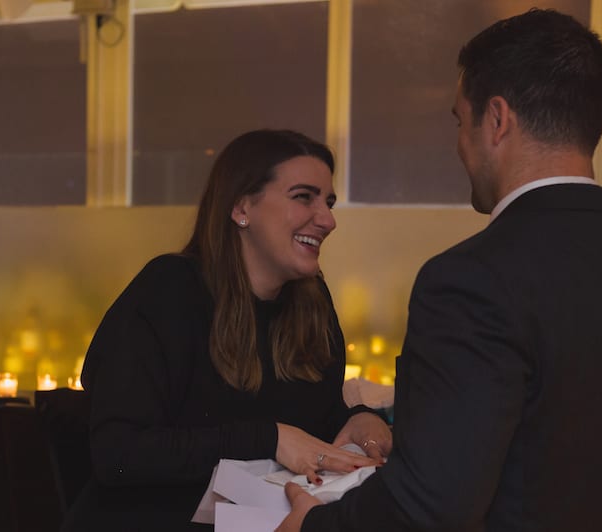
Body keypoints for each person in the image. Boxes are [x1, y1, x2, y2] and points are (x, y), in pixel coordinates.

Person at [277, 8, 602, 532]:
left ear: (497, 120)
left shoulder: (470, 281)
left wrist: (311, 526)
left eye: (460, 120)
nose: (459, 145)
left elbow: (433, 503)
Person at [63, 129, 392, 530]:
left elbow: (307, 426)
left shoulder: (311, 304)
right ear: (241, 207)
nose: (327, 219)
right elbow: (118, 455)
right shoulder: (170, 290)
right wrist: (268, 439)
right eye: (303, 197)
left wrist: (356, 418)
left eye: (328, 201)